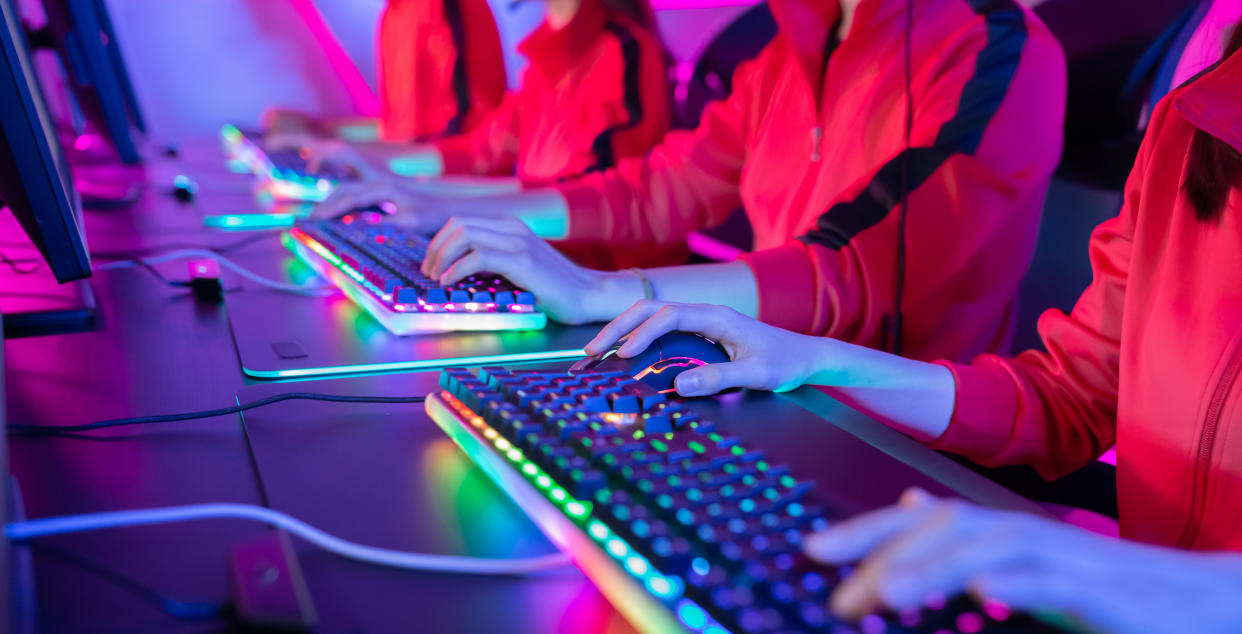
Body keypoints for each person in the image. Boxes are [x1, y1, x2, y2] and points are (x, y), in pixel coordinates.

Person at [581, 23, 1242, 634]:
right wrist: (821, 361)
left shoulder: (990, 47)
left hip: (1157, 615)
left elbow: (846, 269)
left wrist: (1212, 599)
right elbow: (1069, 393)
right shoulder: (1191, 125)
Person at [320, 0, 1067, 363]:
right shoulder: (784, 53)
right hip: (749, 380)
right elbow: (653, 189)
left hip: (890, 443)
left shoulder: (997, 51)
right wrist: (433, 207)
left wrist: (605, 291)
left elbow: (855, 269)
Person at [314, 0, 677, 269]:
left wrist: (432, 197)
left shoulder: (623, 51)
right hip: (546, 262)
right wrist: (398, 181)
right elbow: (479, 148)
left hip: (600, 283)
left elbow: (594, 198)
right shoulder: (544, 61)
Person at [264, 0, 506, 145]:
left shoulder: (442, 10)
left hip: (449, 208)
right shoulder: (396, 12)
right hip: (417, 191)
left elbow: (465, 148)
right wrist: (319, 129)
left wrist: (330, 145)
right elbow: (401, 130)